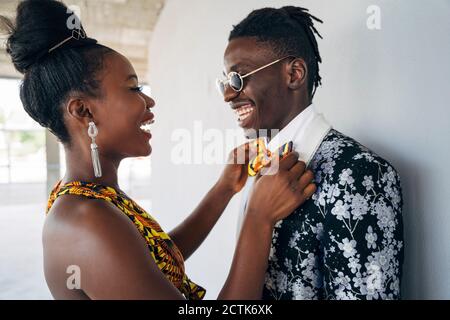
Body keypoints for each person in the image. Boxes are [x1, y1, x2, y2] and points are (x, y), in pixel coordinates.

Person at [0, 0, 316, 300]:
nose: (148, 101)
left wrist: (223, 189)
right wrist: (258, 218)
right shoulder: (85, 220)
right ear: (84, 111)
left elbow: (152, 262)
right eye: (133, 88)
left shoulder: (92, 197)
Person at [217, 6, 404, 299]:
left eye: (239, 79)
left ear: (294, 73)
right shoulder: (257, 167)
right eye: (226, 83)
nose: (229, 95)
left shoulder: (360, 173)